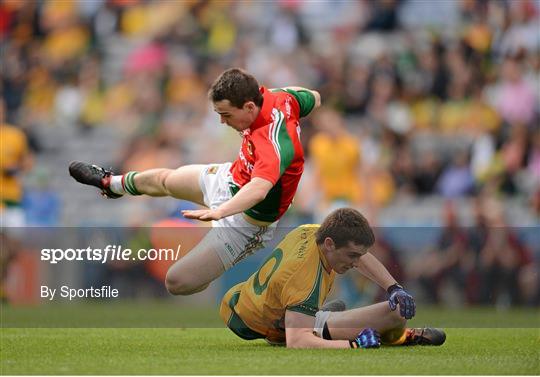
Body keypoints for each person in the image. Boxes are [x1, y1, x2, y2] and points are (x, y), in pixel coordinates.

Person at [69, 68, 321, 295]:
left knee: (177, 282)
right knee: (165, 180)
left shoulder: (273, 142)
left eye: (226, 115)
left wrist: (220, 211)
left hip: (246, 222)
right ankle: (110, 184)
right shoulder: (276, 97)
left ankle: (241, 285)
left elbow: (257, 190)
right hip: (228, 178)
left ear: (248, 107)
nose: (222, 121)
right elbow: (314, 97)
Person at [219, 208, 446, 348]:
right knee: (395, 317)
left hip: (246, 301)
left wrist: (393, 287)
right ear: (329, 244)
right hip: (256, 323)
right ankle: (401, 337)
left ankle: (317, 317)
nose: (356, 262)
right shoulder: (303, 274)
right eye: (352, 256)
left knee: (394, 308)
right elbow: (298, 343)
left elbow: (361, 256)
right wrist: (352, 345)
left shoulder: (314, 231)